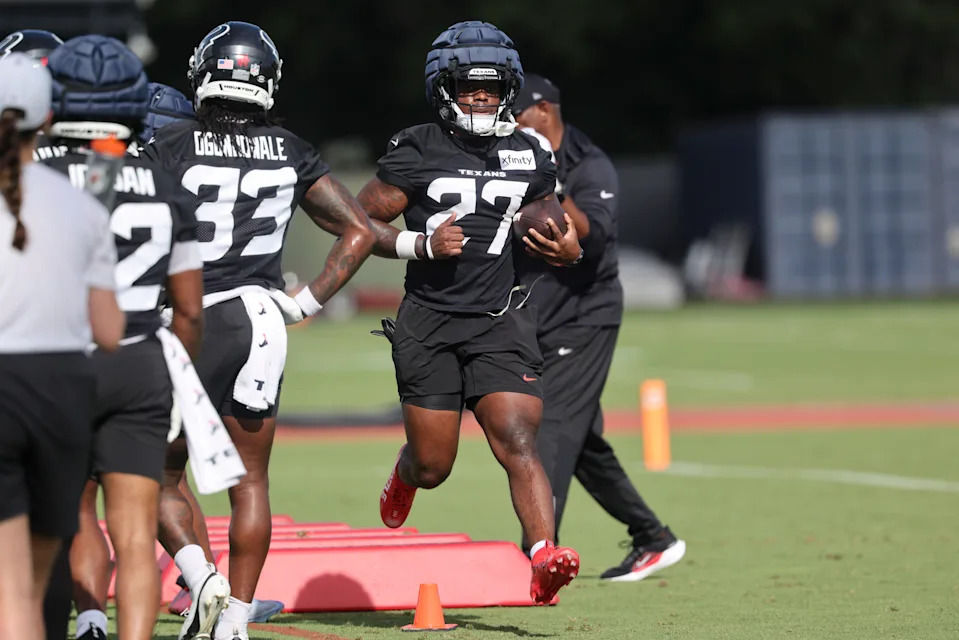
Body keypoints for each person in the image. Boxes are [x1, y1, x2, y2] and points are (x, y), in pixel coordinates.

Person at [142, 21, 375, 640]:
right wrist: (305, 302)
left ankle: (204, 582)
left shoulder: (170, 146)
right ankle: (235, 621)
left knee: (152, 471)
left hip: (188, 318)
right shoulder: (291, 149)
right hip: (264, 321)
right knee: (252, 482)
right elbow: (360, 231)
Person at [358, 20, 583, 605]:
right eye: (468, 86)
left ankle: (542, 555)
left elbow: (550, 217)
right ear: (444, 87)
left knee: (517, 438)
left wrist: (569, 247)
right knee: (434, 464)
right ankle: (404, 475)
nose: (481, 97)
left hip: (498, 318)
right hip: (429, 320)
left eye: (491, 87)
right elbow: (358, 223)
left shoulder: (530, 150)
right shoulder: (417, 147)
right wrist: (418, 243)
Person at [42, 35, 206, 640]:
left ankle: (82, 623)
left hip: (57, 363)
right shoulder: (166, 183)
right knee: (136, 533)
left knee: (54, 520)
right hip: (140, 363)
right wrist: (171, 383)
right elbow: (188, 311)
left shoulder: (31, 177)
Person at [512, 74, 686, 581]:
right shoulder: (514, 153)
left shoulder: (589, 162)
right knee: (581, 438)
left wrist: (547, 185)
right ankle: (652, 538)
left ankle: (538, 556)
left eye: (517, 113)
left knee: (548, 430)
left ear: (544, 110)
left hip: (586, 314)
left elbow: (594, 232)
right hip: (541, 313)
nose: (510, 123)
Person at [0, 52, 124, 640]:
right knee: (37, 583)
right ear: (47, 116)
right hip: (64, 394)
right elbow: (108, 332)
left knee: (9, 587)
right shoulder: (84, 204)